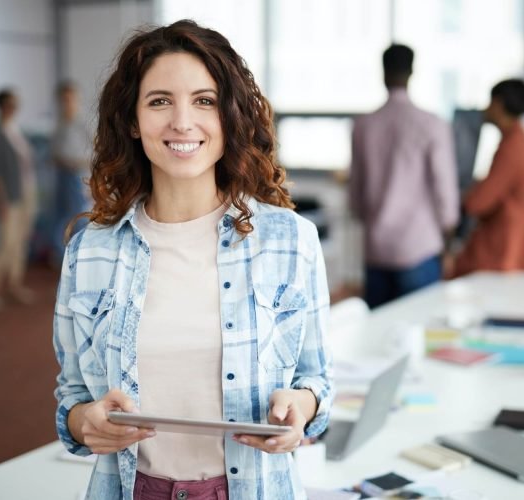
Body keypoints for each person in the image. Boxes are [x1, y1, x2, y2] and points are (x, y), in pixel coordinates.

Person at [53, 20, 333, 500]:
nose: (182, 121)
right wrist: (83, 423)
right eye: (160, 101)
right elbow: (73, 396)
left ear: (229, 116)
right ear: (133, 122)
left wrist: (301, 409)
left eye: (204, 101)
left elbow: (317, 380)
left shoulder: (291, 239)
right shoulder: (90, 250)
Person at [348, 44, 459, 308]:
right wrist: (449, 241)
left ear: (383, 73)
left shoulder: (363, 125)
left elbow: (356, 195)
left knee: (377, 340)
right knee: (420, 336)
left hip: (376, 249)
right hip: (419, 249)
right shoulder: (432, 124)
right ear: (412, 72)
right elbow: (445, 193)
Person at [448, 78, 524, 278]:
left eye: (490, 102)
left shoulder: (512, 149)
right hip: (519, 242)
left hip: (506, 246)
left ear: (499, 104)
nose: (486, 108)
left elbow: (477, 202)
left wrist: (462, 194)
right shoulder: (519, 141)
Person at [0, 88, 37, 311]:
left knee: (21, 241)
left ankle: (15, 285)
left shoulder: (16, 130)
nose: (14, 109)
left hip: (26, 192)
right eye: (10, 104)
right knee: (6, 243)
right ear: (1, 106)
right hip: (9, 196)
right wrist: (1, 202)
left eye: (16, 104)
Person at [50, 81, 91, 265]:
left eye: (70, 99)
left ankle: (76, 256)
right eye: (63, 99)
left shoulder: (84, 123)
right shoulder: (60, 124)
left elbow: (99, 152)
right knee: (59, 217)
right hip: (61, 175)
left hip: (77, 175)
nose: (66, 103)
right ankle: (62, 256)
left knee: (76, 217)